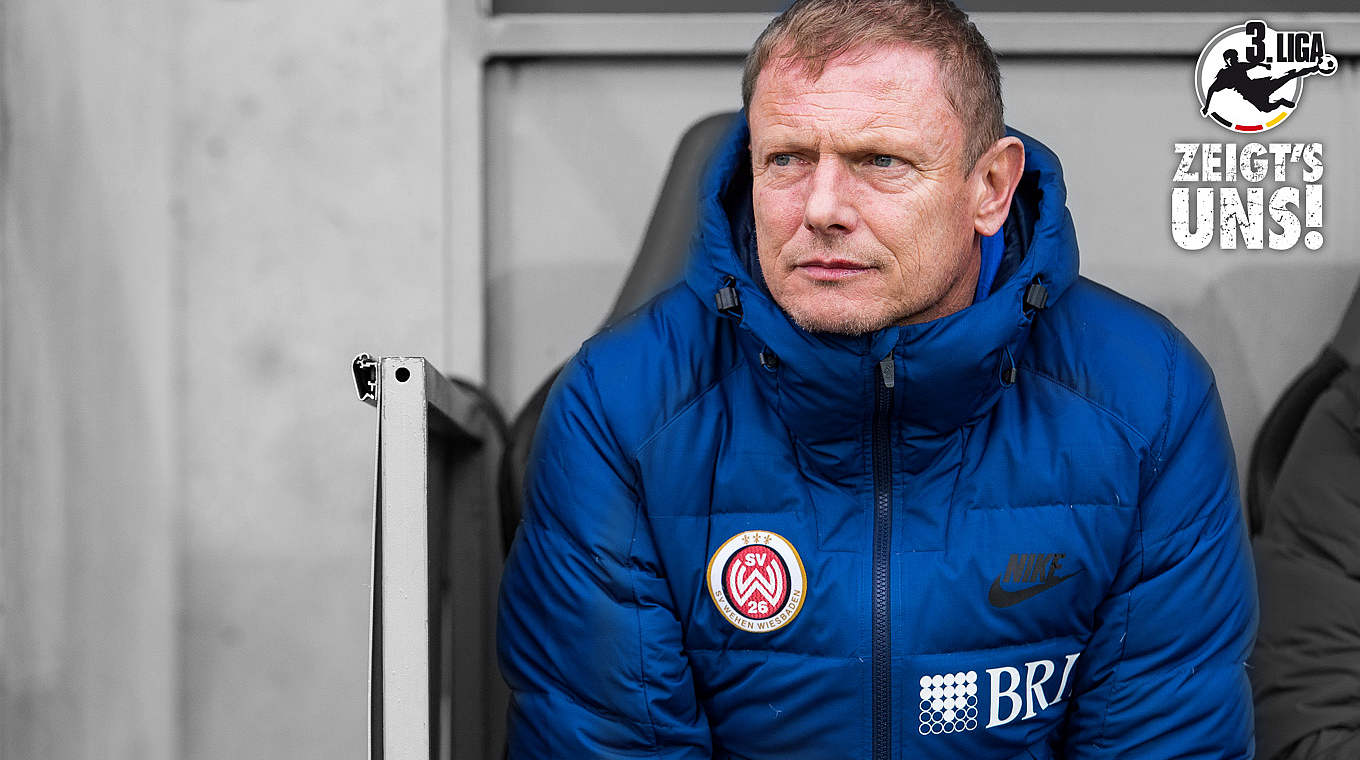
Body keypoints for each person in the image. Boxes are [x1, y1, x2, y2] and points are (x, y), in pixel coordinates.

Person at [498, 1, 1257, 757]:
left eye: (880, 161)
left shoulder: (1145, 396)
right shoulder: (622, 405)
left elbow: (1163, 741)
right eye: (787, 159)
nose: (822, 208)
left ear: (989, 188)